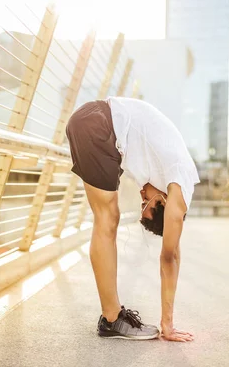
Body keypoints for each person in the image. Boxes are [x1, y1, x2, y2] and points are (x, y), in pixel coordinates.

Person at [65, 97, 199, 342]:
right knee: (107, 218)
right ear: (163, 203)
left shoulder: (176, 183)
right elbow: (170, 256)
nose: (141, 194)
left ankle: (112, 316)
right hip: (99, 125)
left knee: (106, 217)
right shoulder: (178, 184)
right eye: (145, 203)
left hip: (97, 122)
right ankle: (112, 318)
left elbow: (173, 248)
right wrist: (167, 325)